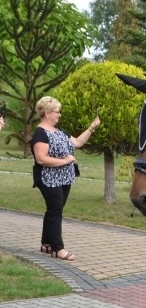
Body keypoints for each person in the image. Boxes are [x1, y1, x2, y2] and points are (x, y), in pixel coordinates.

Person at [31, 96, 101, 261]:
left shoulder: (59, 131)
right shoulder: (40, 134)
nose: (59, 115)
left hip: (64, 178)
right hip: (48, 178)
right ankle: (58, 249)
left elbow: (77, 142)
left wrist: (91, 128)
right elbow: (41, 159)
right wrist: (65, 161)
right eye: (57, 112)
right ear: (47, 113)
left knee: (54, 210)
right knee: (55, 210)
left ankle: (46, 243)